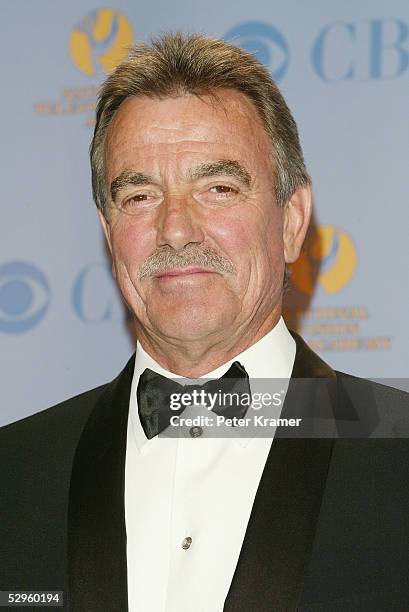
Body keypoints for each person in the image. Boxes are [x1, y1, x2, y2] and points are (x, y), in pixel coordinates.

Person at [1, 33, 408, 612]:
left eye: (218, 188)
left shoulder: (399, 457)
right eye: (139, 196)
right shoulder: (12, 473)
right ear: (108, 229)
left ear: (292, 221)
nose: (174, 228)